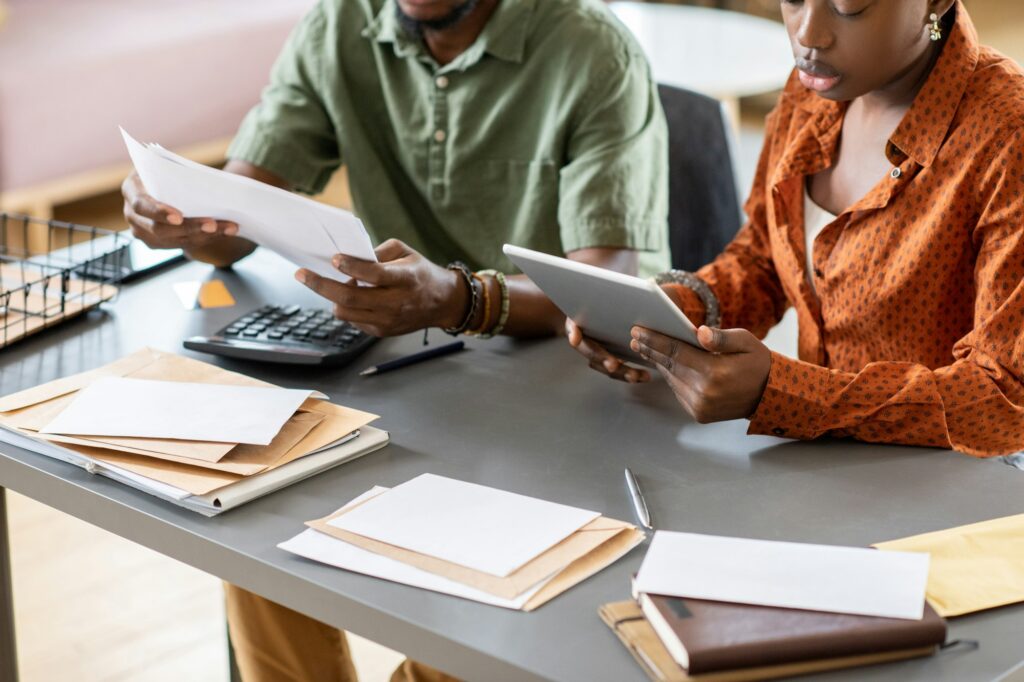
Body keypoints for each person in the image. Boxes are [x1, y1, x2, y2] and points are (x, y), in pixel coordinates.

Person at [122, 0, 668, 680]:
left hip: (558, 400)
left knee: (463, 639)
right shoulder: (340, 23)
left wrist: (461, 299)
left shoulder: (591, 50)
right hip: (403, 386)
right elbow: (231, 217)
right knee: (255, 553)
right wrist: (179, 214)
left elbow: (599, 291)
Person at [571, 0, 1024, 458]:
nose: (808, 35)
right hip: (821, 470)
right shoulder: (813, 90)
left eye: (849, 8)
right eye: (792, 0)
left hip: (955, 499)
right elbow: (764, 260)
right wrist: (667, 316)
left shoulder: (1008, 135)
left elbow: (1004, 394)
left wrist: (787, 393)